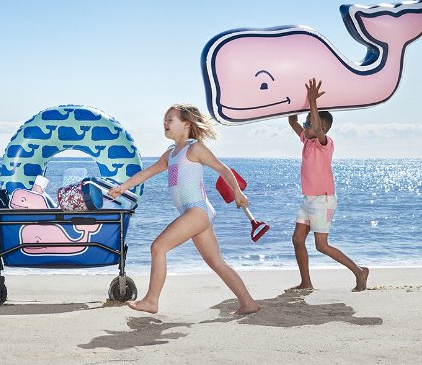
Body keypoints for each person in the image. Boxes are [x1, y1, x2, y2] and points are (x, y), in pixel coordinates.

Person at [108, 103, 260, 315]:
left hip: (196, 210)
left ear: (186, 123)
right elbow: (147, 173)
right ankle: (248, 303)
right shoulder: (171, 153)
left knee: (158, 248)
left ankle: (151, 301)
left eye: (170, 119)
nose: (165, 123)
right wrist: (122, 188)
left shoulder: (194, 148)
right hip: (197, 213)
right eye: (165, 120)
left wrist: (237, 191)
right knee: (216, 262)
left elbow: (222, 169)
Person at [288, 78, 369, 292]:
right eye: (306, 124)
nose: (305, 127)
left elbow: (314, 125)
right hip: (308, 199)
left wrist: (313, 102)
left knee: (321, 245)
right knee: (297, 239)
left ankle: (359, 272)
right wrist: (291, 103)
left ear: (321, 127)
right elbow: (292, 122)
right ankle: (306, 282)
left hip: (323, 199)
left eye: (309, 124)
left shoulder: (326, 143)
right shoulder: (306, 140)